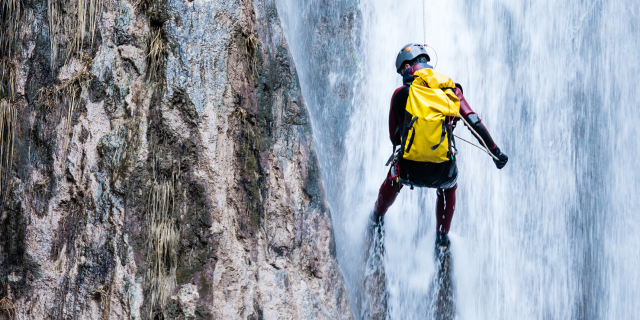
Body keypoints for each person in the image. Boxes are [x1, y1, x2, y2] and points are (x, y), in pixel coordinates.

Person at [369, 43, 509, 254]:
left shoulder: (399, 94)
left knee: (394, 176)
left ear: (407, 66)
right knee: (449, 186)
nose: (401, 74)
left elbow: (394, 138)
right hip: (441, 172)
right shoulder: (450, 90)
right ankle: (442, 238)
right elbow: (474, 122)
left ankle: (377, 217)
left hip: (408, 170)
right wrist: (495, 153)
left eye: (401, 70)